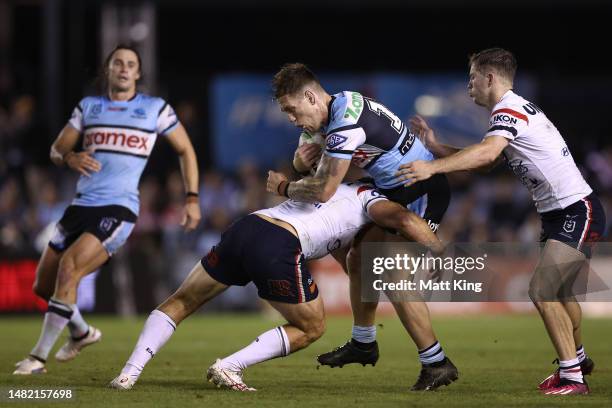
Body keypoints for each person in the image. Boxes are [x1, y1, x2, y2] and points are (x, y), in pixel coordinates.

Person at [396, 47, 606, 395]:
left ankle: (572, 378)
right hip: (559, 213)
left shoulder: (507, 109)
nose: (469, 86)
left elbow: (488, 153)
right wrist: (434, 146)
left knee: (542, 290)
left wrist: (430, 166)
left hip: (575, 209)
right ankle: (578, 360)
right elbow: (484, 163)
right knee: (561, 292)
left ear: (489, 78)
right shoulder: (511, 111)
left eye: (472, 78)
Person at [109, 181, 444, 391]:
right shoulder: (370, 197)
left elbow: (347, 257)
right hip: (279, 243)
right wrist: (439, 253)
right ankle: (229, 366)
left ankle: (128, 374)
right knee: (312, 327)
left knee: (181, 301)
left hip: (248, 226)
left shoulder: (333, 187)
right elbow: (403, 219)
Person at [266, 63, 457, 391]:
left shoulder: (345, 122)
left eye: (291, 109)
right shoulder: (331, 112)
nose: (290, 118)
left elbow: (324, 189)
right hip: (394, 188)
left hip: (421, 189)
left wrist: (283, 187)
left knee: (393, 277)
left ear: (311, 97)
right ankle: (364, 342)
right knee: (358, 260)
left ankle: (436, 363)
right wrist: (301, 162)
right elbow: (302, 161)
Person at [13, 45, 201, 375]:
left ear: (138, 73)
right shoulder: (90, 107)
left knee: (69, 268)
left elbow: (186, 151)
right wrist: (69, 157)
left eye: (131, 64)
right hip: (80, 206)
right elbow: (57, 149)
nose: (125, 69)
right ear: (108, 70)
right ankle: (82, 332)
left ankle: (38, 359)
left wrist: (191, 198)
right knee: (43, 286)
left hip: (119, 207)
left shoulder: (154, 108)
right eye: (118, 63)